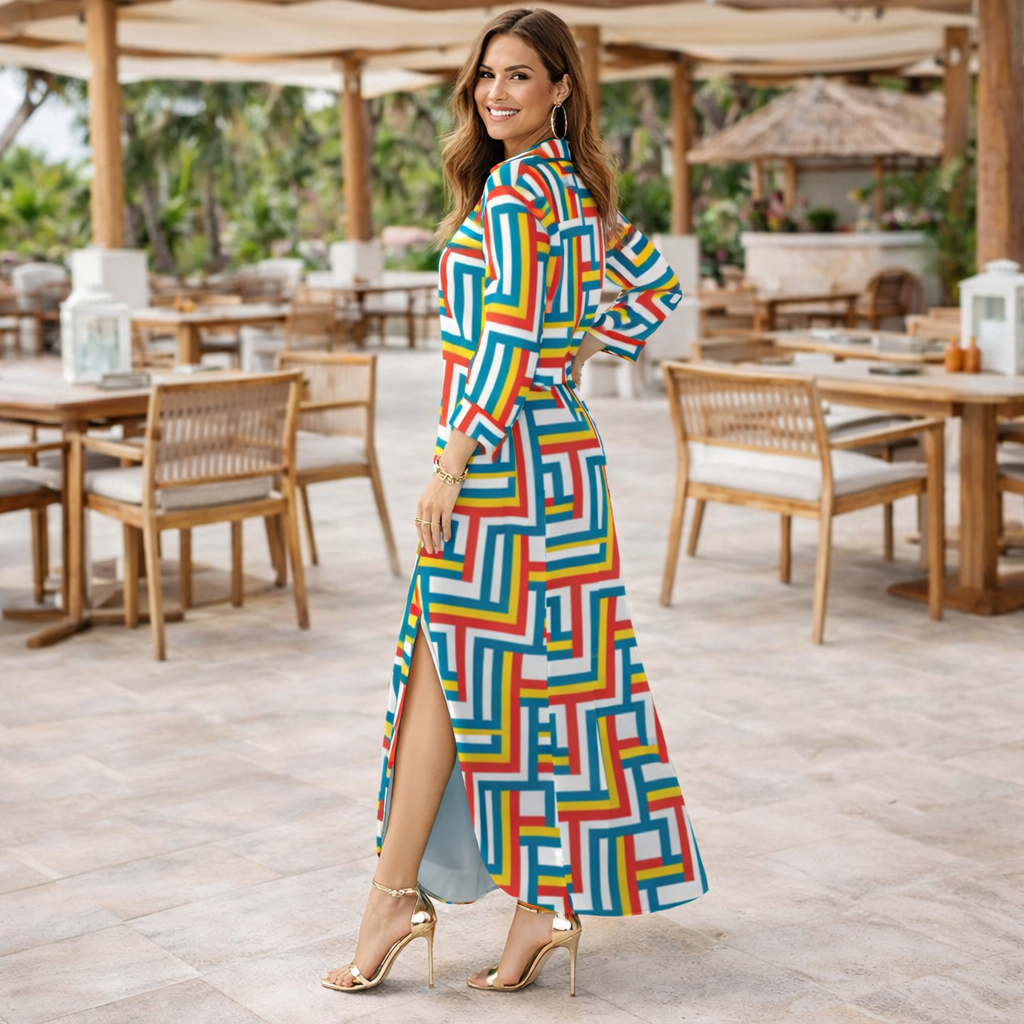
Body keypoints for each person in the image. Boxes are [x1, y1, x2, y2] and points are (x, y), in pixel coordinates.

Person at [323, 6, 706, 997]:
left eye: (520, 77)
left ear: (560, 89)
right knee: (535, 686)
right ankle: (531, 903)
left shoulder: (508, 204)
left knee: (446, 678)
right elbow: (652, 296)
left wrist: (449, 466)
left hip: (500, 471)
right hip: (565, 468)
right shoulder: (572, 194)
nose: (496, 93)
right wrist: (568, 351)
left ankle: (398, 896)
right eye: (487, 76)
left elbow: (496, 350)